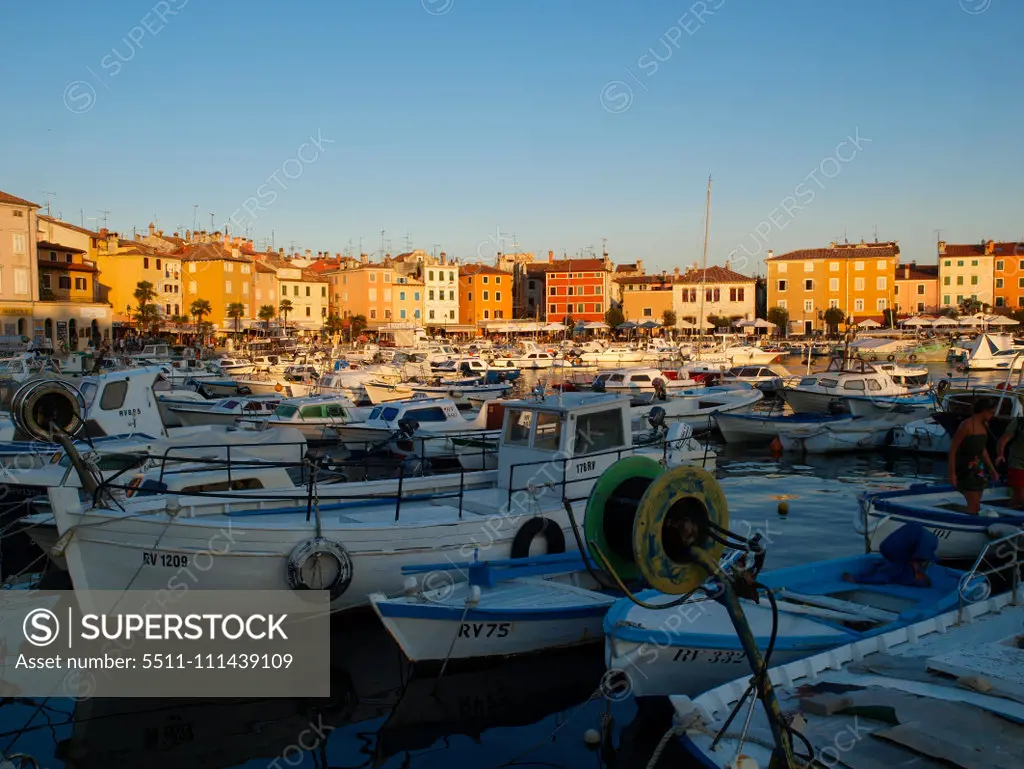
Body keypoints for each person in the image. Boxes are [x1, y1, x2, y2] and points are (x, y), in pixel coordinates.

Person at [948, 397, 999, 514]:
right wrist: (952, 473)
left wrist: (992, 469)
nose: (992, 415)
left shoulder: (984, 425)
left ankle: (971, 521)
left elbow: (983, 450)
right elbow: (953, 450)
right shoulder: (966, 425)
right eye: (991, 412)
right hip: (965, 469)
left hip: (978, 469)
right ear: (984, 411)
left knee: (976, 503)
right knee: (974, 504)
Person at [996, 411, 1024, 507]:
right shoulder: (1019, 423)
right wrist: (1000, 454)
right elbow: (1003, 440)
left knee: (1017, 497)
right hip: (1018, 463)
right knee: (1020, 495)